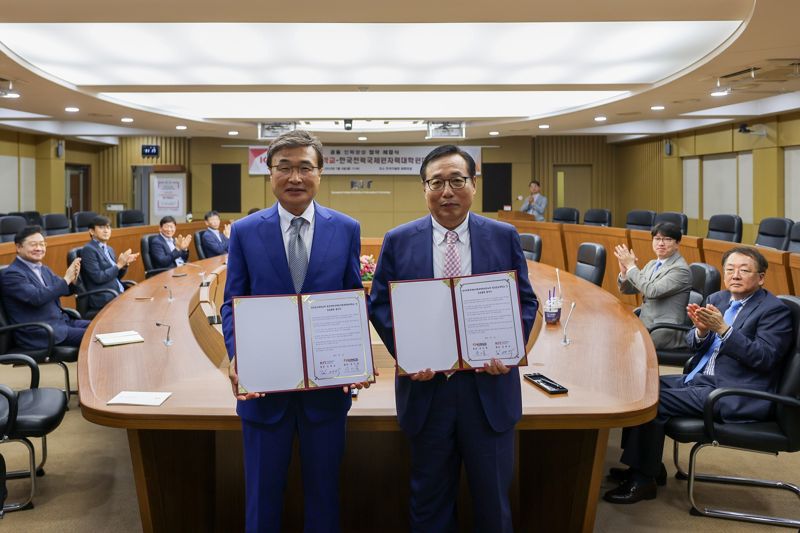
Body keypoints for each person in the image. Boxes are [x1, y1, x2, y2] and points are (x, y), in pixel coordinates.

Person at [369, 145, 538, 532]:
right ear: (424, 188)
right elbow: (379, 305)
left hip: (489, 391)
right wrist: (409, 355)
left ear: (473, 185)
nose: (447, 191)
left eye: (457, 180)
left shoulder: (503, 235)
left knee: (493, 506)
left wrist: (510, 350)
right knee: (428, 503)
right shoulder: (399, 240)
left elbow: (525, 302)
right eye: (437, 182)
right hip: (427, 394)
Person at [220, 130, 366, 532]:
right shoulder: (247, 231)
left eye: (305, 167)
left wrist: (356, 360)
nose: (295, 177)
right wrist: (238, 355)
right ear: (270, 173)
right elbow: (233, 303)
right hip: (264, 390)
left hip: (326, 390)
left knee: (325, 496)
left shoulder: (346, 228)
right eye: (284, 168)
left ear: (320, 173)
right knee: (262, 498)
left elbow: (352, 298)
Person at [604, 246, 793, 504]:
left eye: (745, 270)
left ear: (760, 278)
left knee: (652, 400)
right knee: (641, 386)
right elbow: (693, 342)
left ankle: (642, 479)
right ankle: (647, 467)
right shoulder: (718, 299)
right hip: (702, 377)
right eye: (730, 269)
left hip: (733, 391)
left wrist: (725, 330)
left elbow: (764, 357)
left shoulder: (774, 310)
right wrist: (702, 332)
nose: (735, 275)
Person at [0, 225, 88, 350]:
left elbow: (63, 288)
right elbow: (36, 297)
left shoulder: (43, 269)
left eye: (42, 244)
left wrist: (72, 281)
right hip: (40, 332)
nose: (39, 248)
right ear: (19, 247)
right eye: (33, 244)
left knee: (102, 328)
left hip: (61, 323)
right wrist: (66, 279)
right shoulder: (11, 274)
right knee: (95, 336)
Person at [615, 222, 692, 350]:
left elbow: (651, 291)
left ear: (677, 244)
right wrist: (624, 272)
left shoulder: (680, 270)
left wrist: (631, 267)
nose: (661, 243)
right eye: (657, 239)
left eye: (667, 239)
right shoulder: (652, 264)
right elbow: (629, 289)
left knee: (620, 345)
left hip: (663, 330)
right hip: (646, 324)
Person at [80, 215, 139, 315]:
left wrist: (124, 265)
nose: (106, 230)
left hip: (116, 291)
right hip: (104, 295)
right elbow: (98, 277)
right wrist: (119, 265)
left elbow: (116, 276)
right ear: (92, 231)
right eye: (101, 227)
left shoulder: (109, 249)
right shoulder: (88, 250)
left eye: (108, 227)